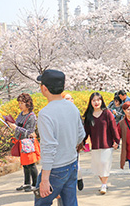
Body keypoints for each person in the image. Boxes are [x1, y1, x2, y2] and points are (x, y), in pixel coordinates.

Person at [35, 69, 86, 206]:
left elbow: (48, 147)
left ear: (44, 88)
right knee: (70, 203)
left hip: (55, 169)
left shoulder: (45, 114)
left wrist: (45, 180)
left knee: (41, 203)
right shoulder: (72, 107)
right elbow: (81, 135)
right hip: (72, 164)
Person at [82, 92, 120, 195]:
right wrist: (82, 142)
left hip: (107, 144)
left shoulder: (107, 113)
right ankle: (104, 183)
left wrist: (116, 140)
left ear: (101, 101)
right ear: (90, 102)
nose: (96, 102)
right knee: (98, 165)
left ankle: (104, 185)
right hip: (95, 145)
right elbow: (86, 131)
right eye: (94, 100)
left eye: (98, 100)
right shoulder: (89, 115)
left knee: (104, 163)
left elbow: (113, 128)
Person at [9, 93, 40, 192]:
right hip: (21, 142)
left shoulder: (31, 116)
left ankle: (35, 184)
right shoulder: (21, 114)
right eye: (19, 103)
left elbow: (29, 132)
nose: (20, 105)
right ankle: (27, 183)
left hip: (28, 143)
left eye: (22, 103)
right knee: (25, 164)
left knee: (31, 164)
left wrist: (16, 128)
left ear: (28, 103)